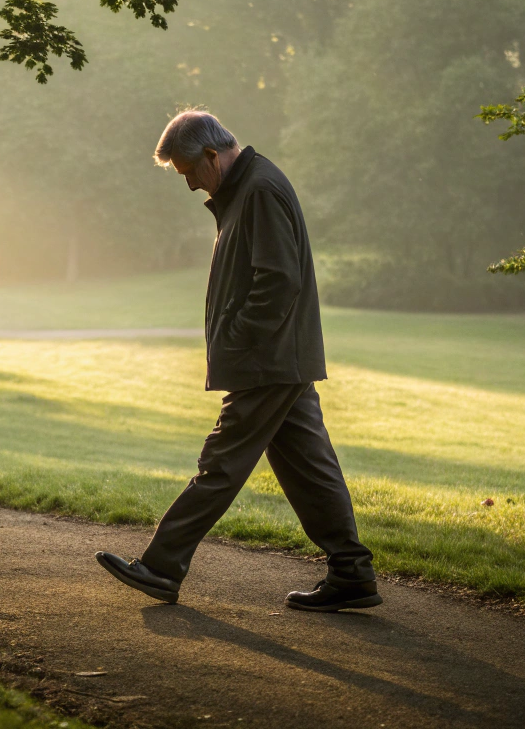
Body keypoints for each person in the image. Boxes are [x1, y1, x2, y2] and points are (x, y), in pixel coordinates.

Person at [96, 110, 380, 612]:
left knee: (222, 464)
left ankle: (162, 566)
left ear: (212, 155)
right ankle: (351, 573)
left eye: (190, 172)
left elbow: (279, 281)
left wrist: (237, 335)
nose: (190, 185)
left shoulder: (259, 190)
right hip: (279, 359)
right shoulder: (247, 189)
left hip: (267, 361)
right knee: (311, 469)